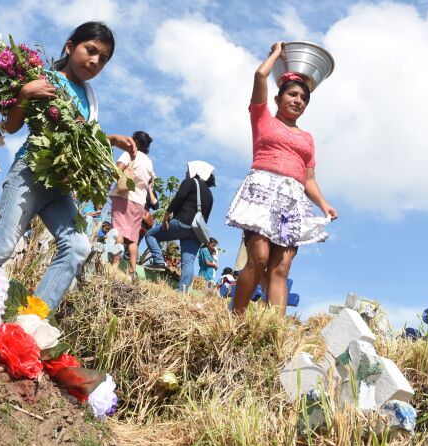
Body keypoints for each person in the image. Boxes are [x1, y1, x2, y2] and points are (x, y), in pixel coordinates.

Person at [0, 22, 136, 310]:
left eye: (103, 59)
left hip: (60, 187)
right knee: (1, 246)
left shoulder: (90, 97)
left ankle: (32, 323)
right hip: (30, 174)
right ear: (70, 47)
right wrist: (26, 93)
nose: (95, 61)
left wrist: (111, 139)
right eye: (90, 51)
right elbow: (13, 126)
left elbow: (80, 136)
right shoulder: (45, 78)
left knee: (78, 247)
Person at [226, 41, 338, 317]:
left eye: (303, 98)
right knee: (259, 258)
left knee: (280, 267)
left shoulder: (307, 138)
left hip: (291, 202)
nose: (298, 100)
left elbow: (308, 177)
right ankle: (236, 318)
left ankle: (273, 331)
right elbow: (260, 76)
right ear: (278, 99)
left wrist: (324, 204)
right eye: (293, 94)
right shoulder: (262, 117)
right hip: (262, 194)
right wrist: (276, 55)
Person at [145, 162, 215, 292]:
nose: (186, 173)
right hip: (197, 233)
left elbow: (179, 197)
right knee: (188, 262)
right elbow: (206, 217)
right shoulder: (210, 195)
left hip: (183, 222)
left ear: (196, 171)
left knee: (150, 234)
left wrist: (167, 213)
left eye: (188, 170)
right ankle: (182, 292)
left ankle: (159, 261)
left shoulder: (190, 182)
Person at [108, 131, 154, 281]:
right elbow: (149, 183)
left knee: (118, 232)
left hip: (124, 196)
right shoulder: (149, 162)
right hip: (140, 203)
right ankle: (133, 271)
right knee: (133, 239)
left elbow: (118, 168)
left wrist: (110, 180)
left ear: (134, 140)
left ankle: (114, 266)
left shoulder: (130, 153)